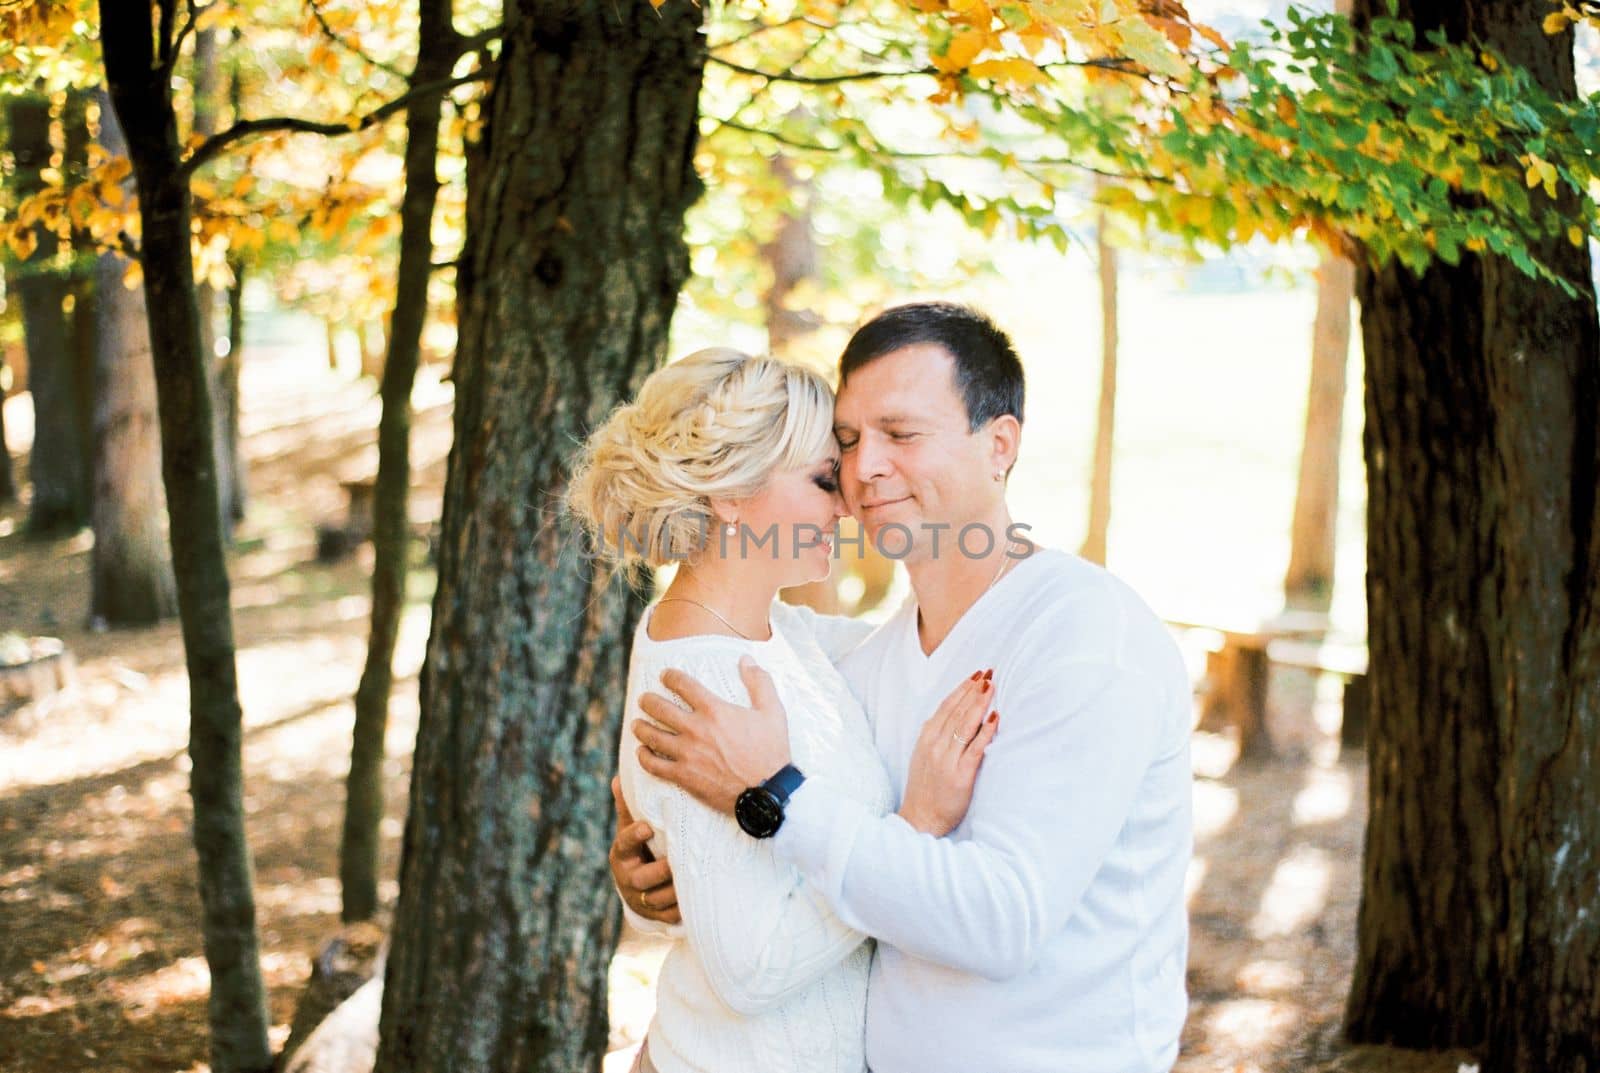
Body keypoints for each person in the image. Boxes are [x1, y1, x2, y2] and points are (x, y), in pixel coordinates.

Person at [615, 303, 1194, 1073]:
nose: (862, 470)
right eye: (847, 444)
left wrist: (775, 796)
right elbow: (769, 888)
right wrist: (664, 870)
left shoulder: (1085, 635)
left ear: (1000, 445)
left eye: (902, 433)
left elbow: (1002, 920)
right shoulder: (857, 659)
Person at [567, 347, 999, 1073]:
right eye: (824, 480)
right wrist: (911, 828)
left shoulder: (778, 634)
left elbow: (923, 638)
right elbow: (751, 971)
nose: (846, 504)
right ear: (732, 493)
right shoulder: (705, 681)